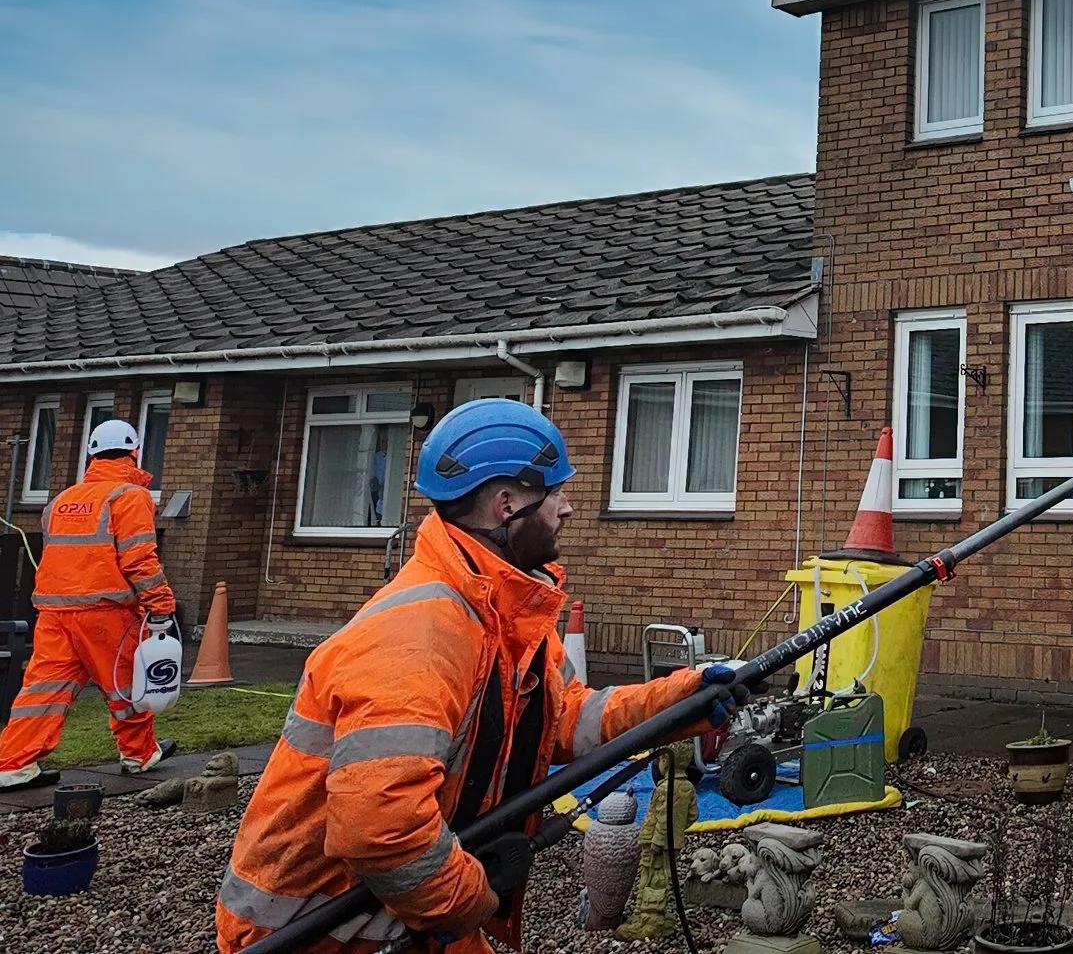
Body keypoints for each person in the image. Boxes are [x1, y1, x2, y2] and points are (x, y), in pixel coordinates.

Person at [216, 400, 750, 953]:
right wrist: (471, 900)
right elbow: (379, 825)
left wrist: (685, 697)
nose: (567, 508)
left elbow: (565, 719)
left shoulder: (503, 612)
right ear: (506, 504)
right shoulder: (419, 635)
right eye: (557, 493)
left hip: (398, 912)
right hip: (323, 930)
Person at [0, 418, 180, 789]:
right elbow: (139, 559)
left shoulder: (61, 501)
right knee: (127, 687)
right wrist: (161, 603)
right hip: (105, 611)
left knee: (41, 691)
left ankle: (13, 764)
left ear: (90, 454)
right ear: (134, 452)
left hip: (54, 612)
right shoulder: (130, 496)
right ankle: (139, 754)